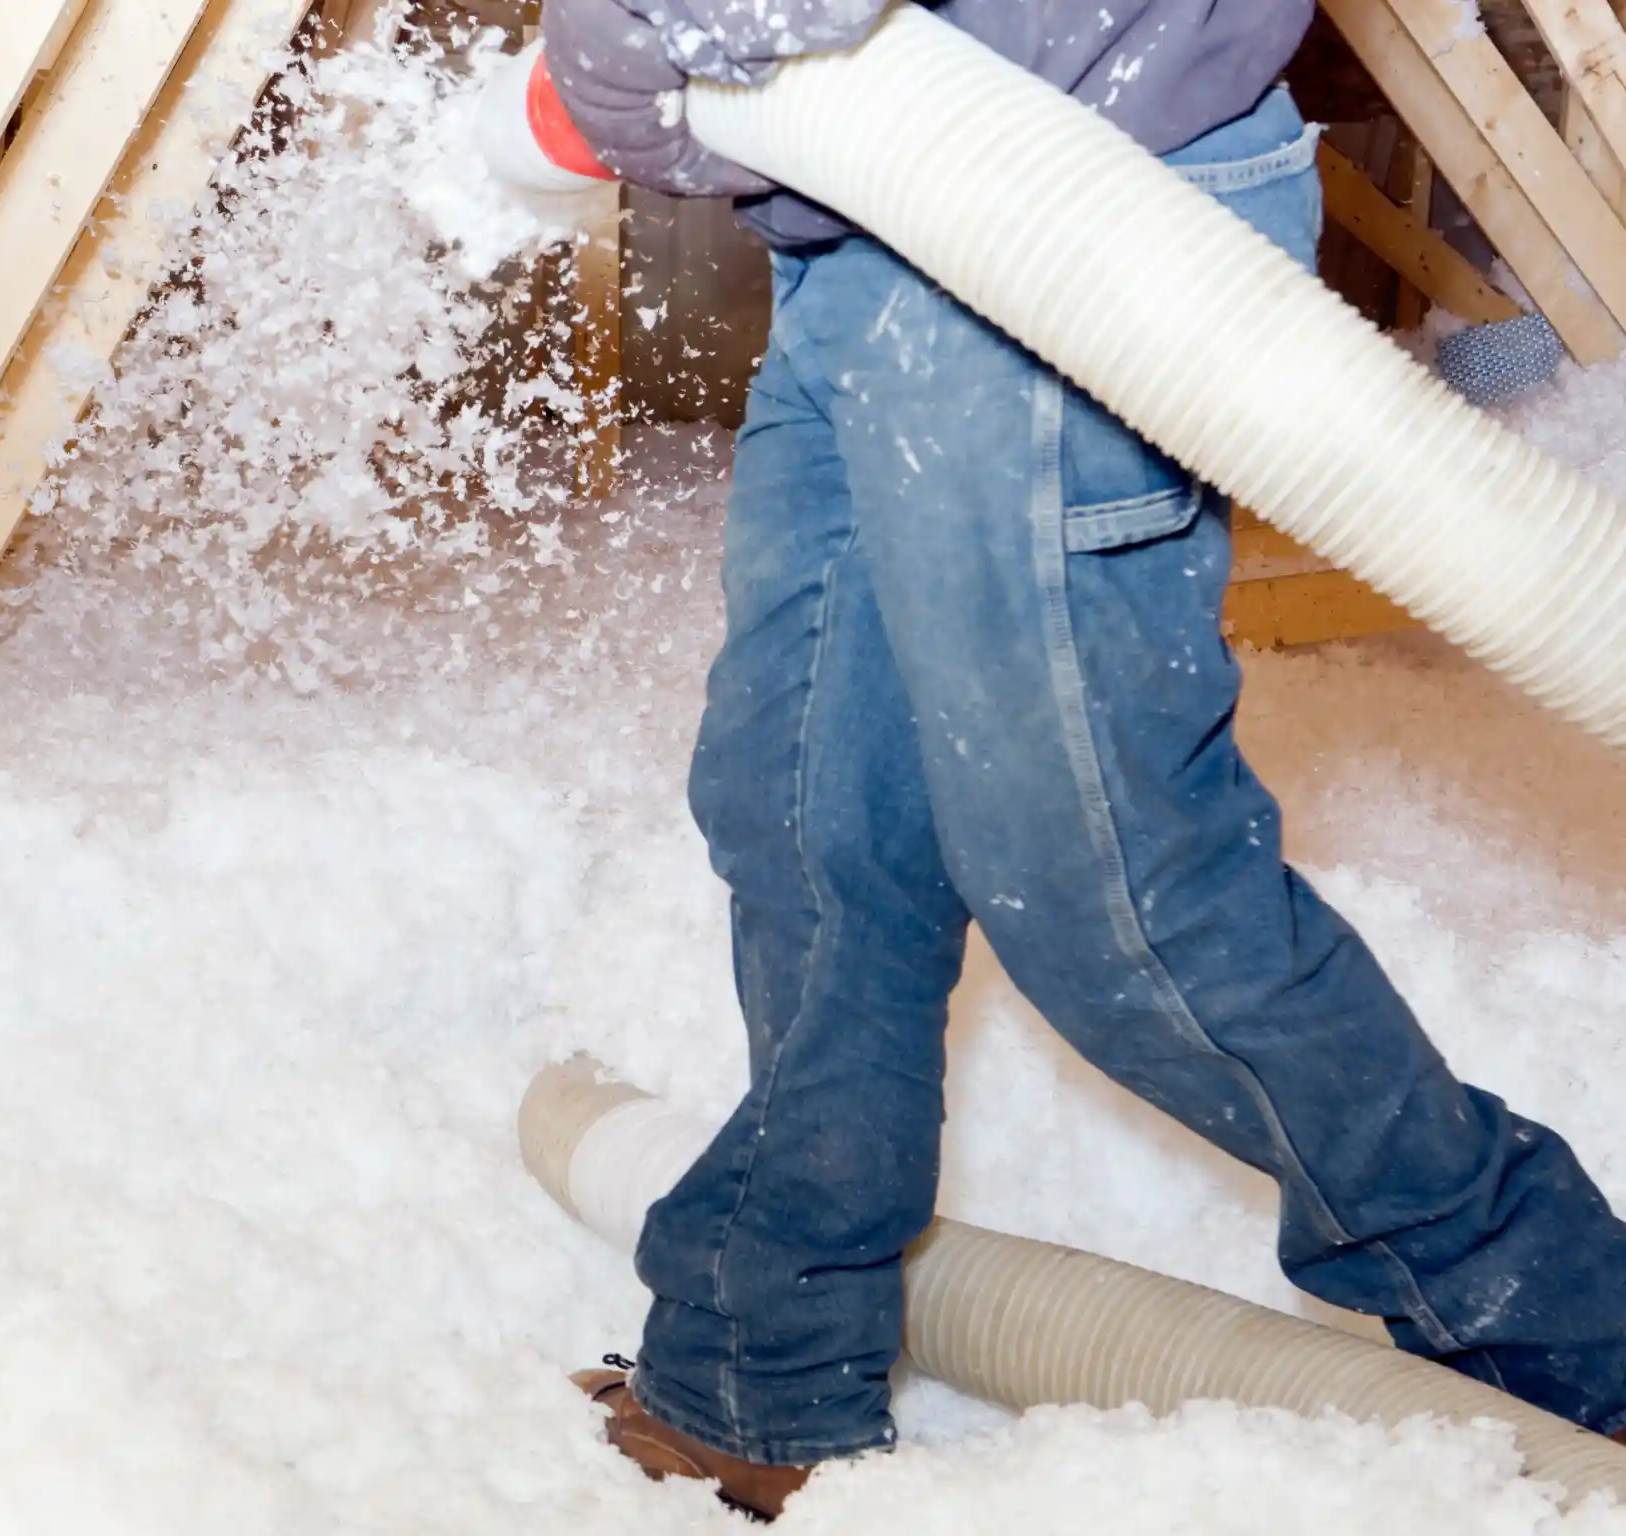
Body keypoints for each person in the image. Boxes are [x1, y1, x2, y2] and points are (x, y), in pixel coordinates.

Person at [538, 0, 1626, 1518]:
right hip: (874, 202)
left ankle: (1578, 1344)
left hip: (1071, 202)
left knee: (1118, 902)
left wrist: (635, 49)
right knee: (811, 819)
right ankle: (757, 1359)